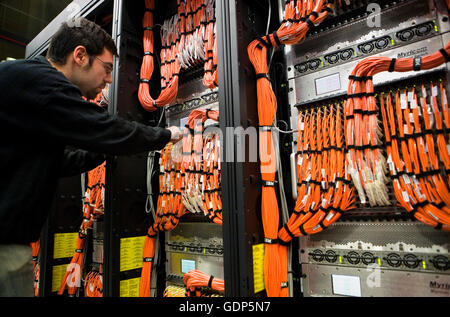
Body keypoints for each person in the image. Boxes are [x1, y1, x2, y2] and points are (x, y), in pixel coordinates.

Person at [0, 17, 182, 296]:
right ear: (80, 55)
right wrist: (167, 134)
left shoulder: (27, 84)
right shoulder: (41, 83)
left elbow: (61, 162)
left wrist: (107, 146)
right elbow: (105, 127)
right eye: (107, 69)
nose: (109, 79)